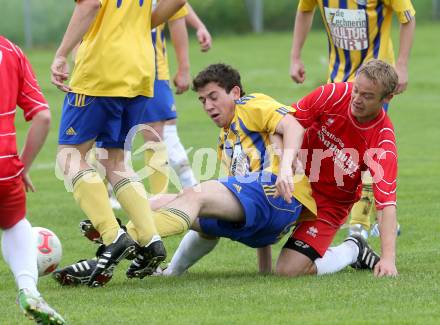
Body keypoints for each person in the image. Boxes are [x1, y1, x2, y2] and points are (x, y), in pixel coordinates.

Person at [52, 63, 380, 285]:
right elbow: (243, 199)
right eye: (202, 100)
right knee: (170, 202)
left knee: (199, 194)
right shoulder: (226, 140)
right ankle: (161, 264)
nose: (208, 105)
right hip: (263, 216)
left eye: (214, 96)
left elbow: (291, 125)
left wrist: (284, 167)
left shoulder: (252, 105)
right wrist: (263, 266)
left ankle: (128, 237)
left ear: (235, 93)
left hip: (282, 196)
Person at [50, 0, 186, 287]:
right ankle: (151, 239)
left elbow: (90, 4)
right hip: (140, 70)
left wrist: (61, 53)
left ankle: (113, 235)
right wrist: (135, 28)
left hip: (102, 68)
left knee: (70, 156)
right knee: (115, 160)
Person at [289, 0, 415, 237]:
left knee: (366, 151)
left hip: (373, 87)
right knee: (329, 151)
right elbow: (305, 10)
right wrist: (295, 56)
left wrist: (402, 64)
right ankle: (312, 208)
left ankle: (359, 225)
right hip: (338, 83)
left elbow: (407, 18)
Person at [276, 59, 399, 278]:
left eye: (367, 96)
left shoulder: (383, 141)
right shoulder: (334, 94)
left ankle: (353, 250)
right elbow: (285, 124)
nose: (357, 99)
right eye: (357, 90)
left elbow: (386, 203)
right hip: (296, 181)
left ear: (387, 98)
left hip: (329, 204)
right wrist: (285, 162)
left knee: (288, 270)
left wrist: (388, 259)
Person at [0, 35, 65, 324]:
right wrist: (21, 168)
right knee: (14, 223)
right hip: (4, 167)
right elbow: (43, 117)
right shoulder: (11, 51)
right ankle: (29, 289)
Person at [141, 2, 212, 196]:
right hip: (117, 67)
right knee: (110, 130)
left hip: (154, 68)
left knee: (161, 127)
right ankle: (111, 190)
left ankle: (181, 192)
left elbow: (176, 9)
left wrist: (198, 26)